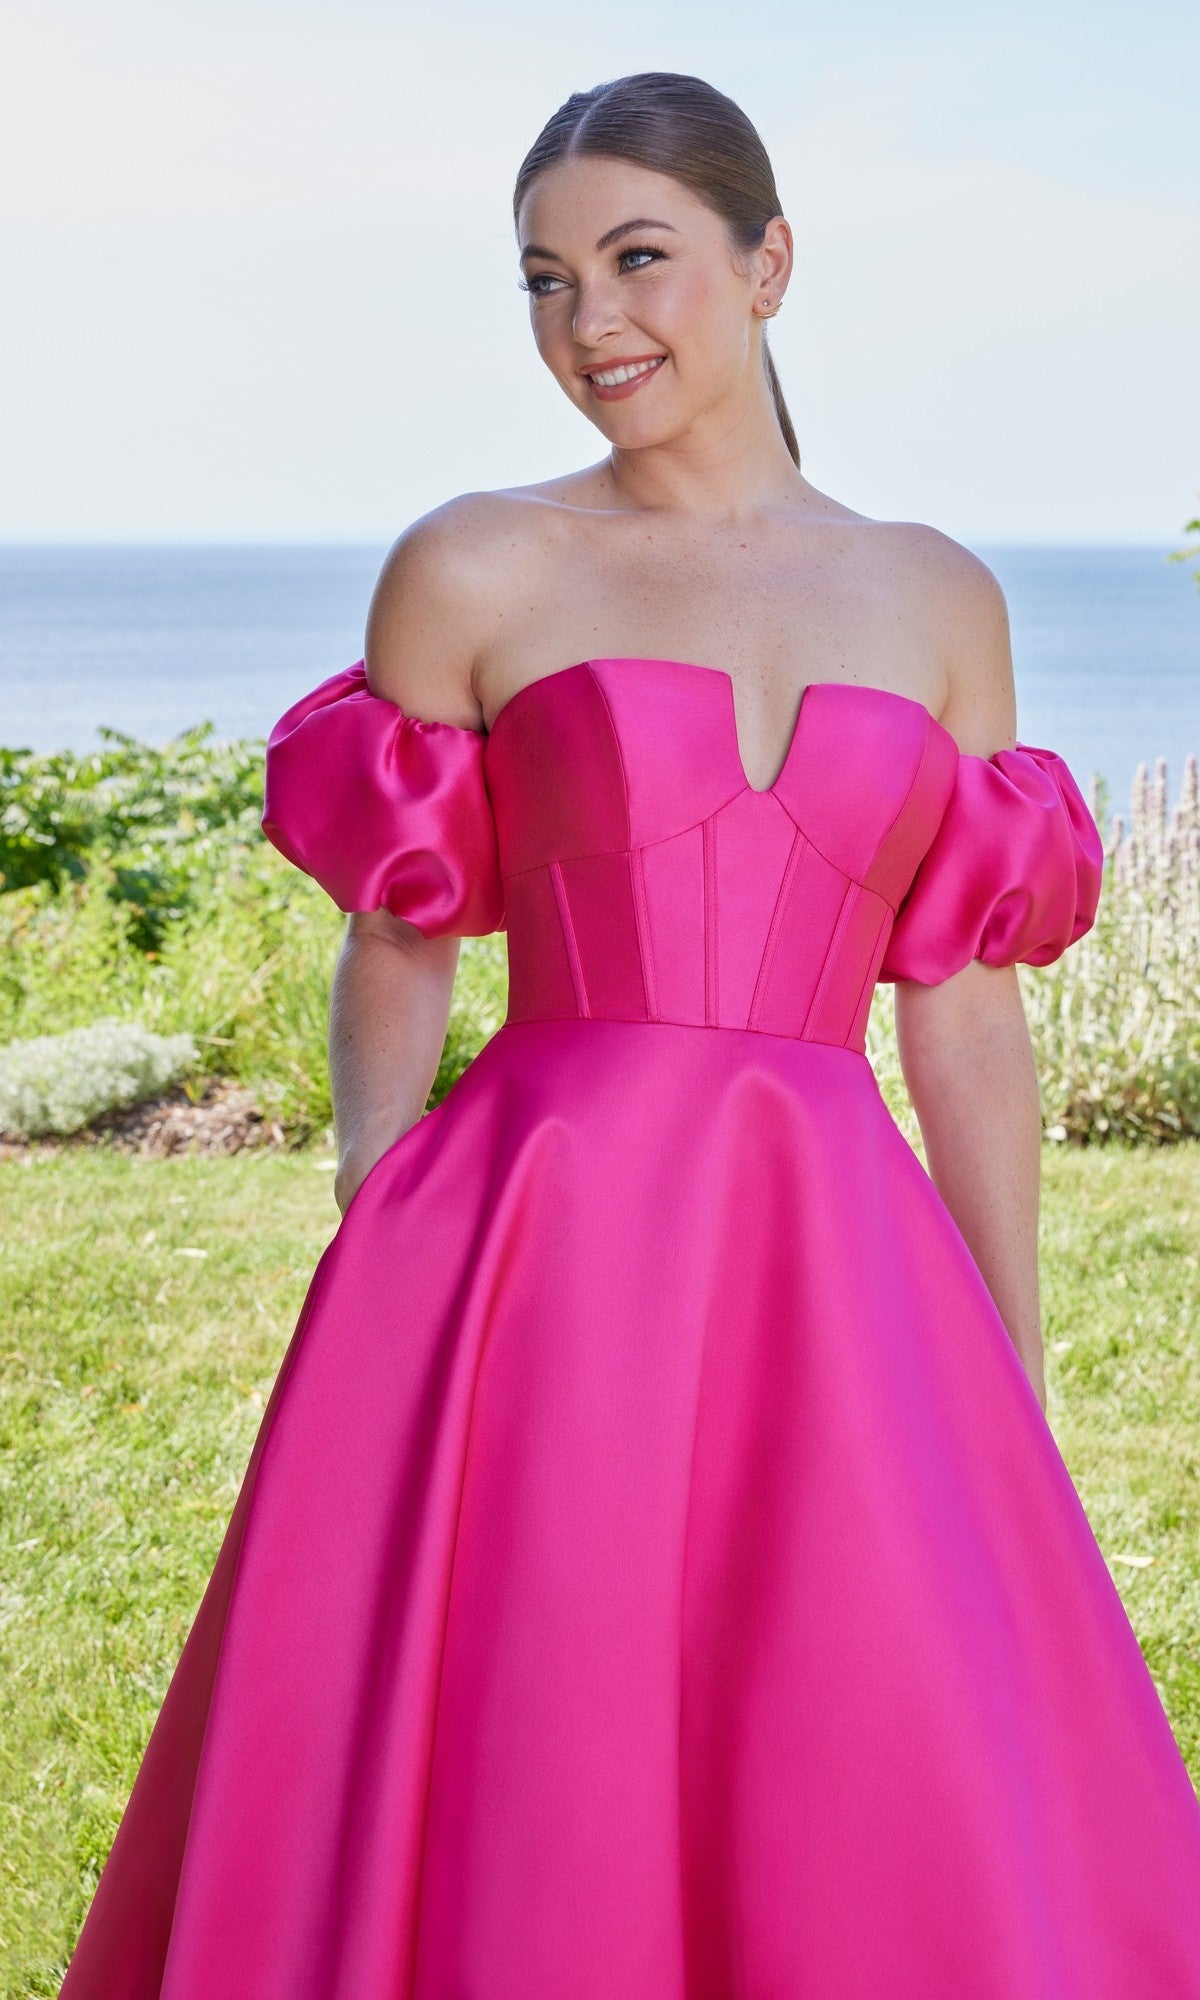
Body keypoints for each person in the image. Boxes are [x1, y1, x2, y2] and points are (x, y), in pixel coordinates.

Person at [60, 69, 1200, 2000]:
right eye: (545, 279)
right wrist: (379, 1200)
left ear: (769, 266)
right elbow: (404, 929)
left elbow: (967, 1004)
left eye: (640, 259)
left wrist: (1007, 1341)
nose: (593, 325)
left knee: (857, 1700)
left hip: (830, 1237)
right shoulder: (478, 563)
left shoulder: (935, 593)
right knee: (540, 1707)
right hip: (537, 1225)